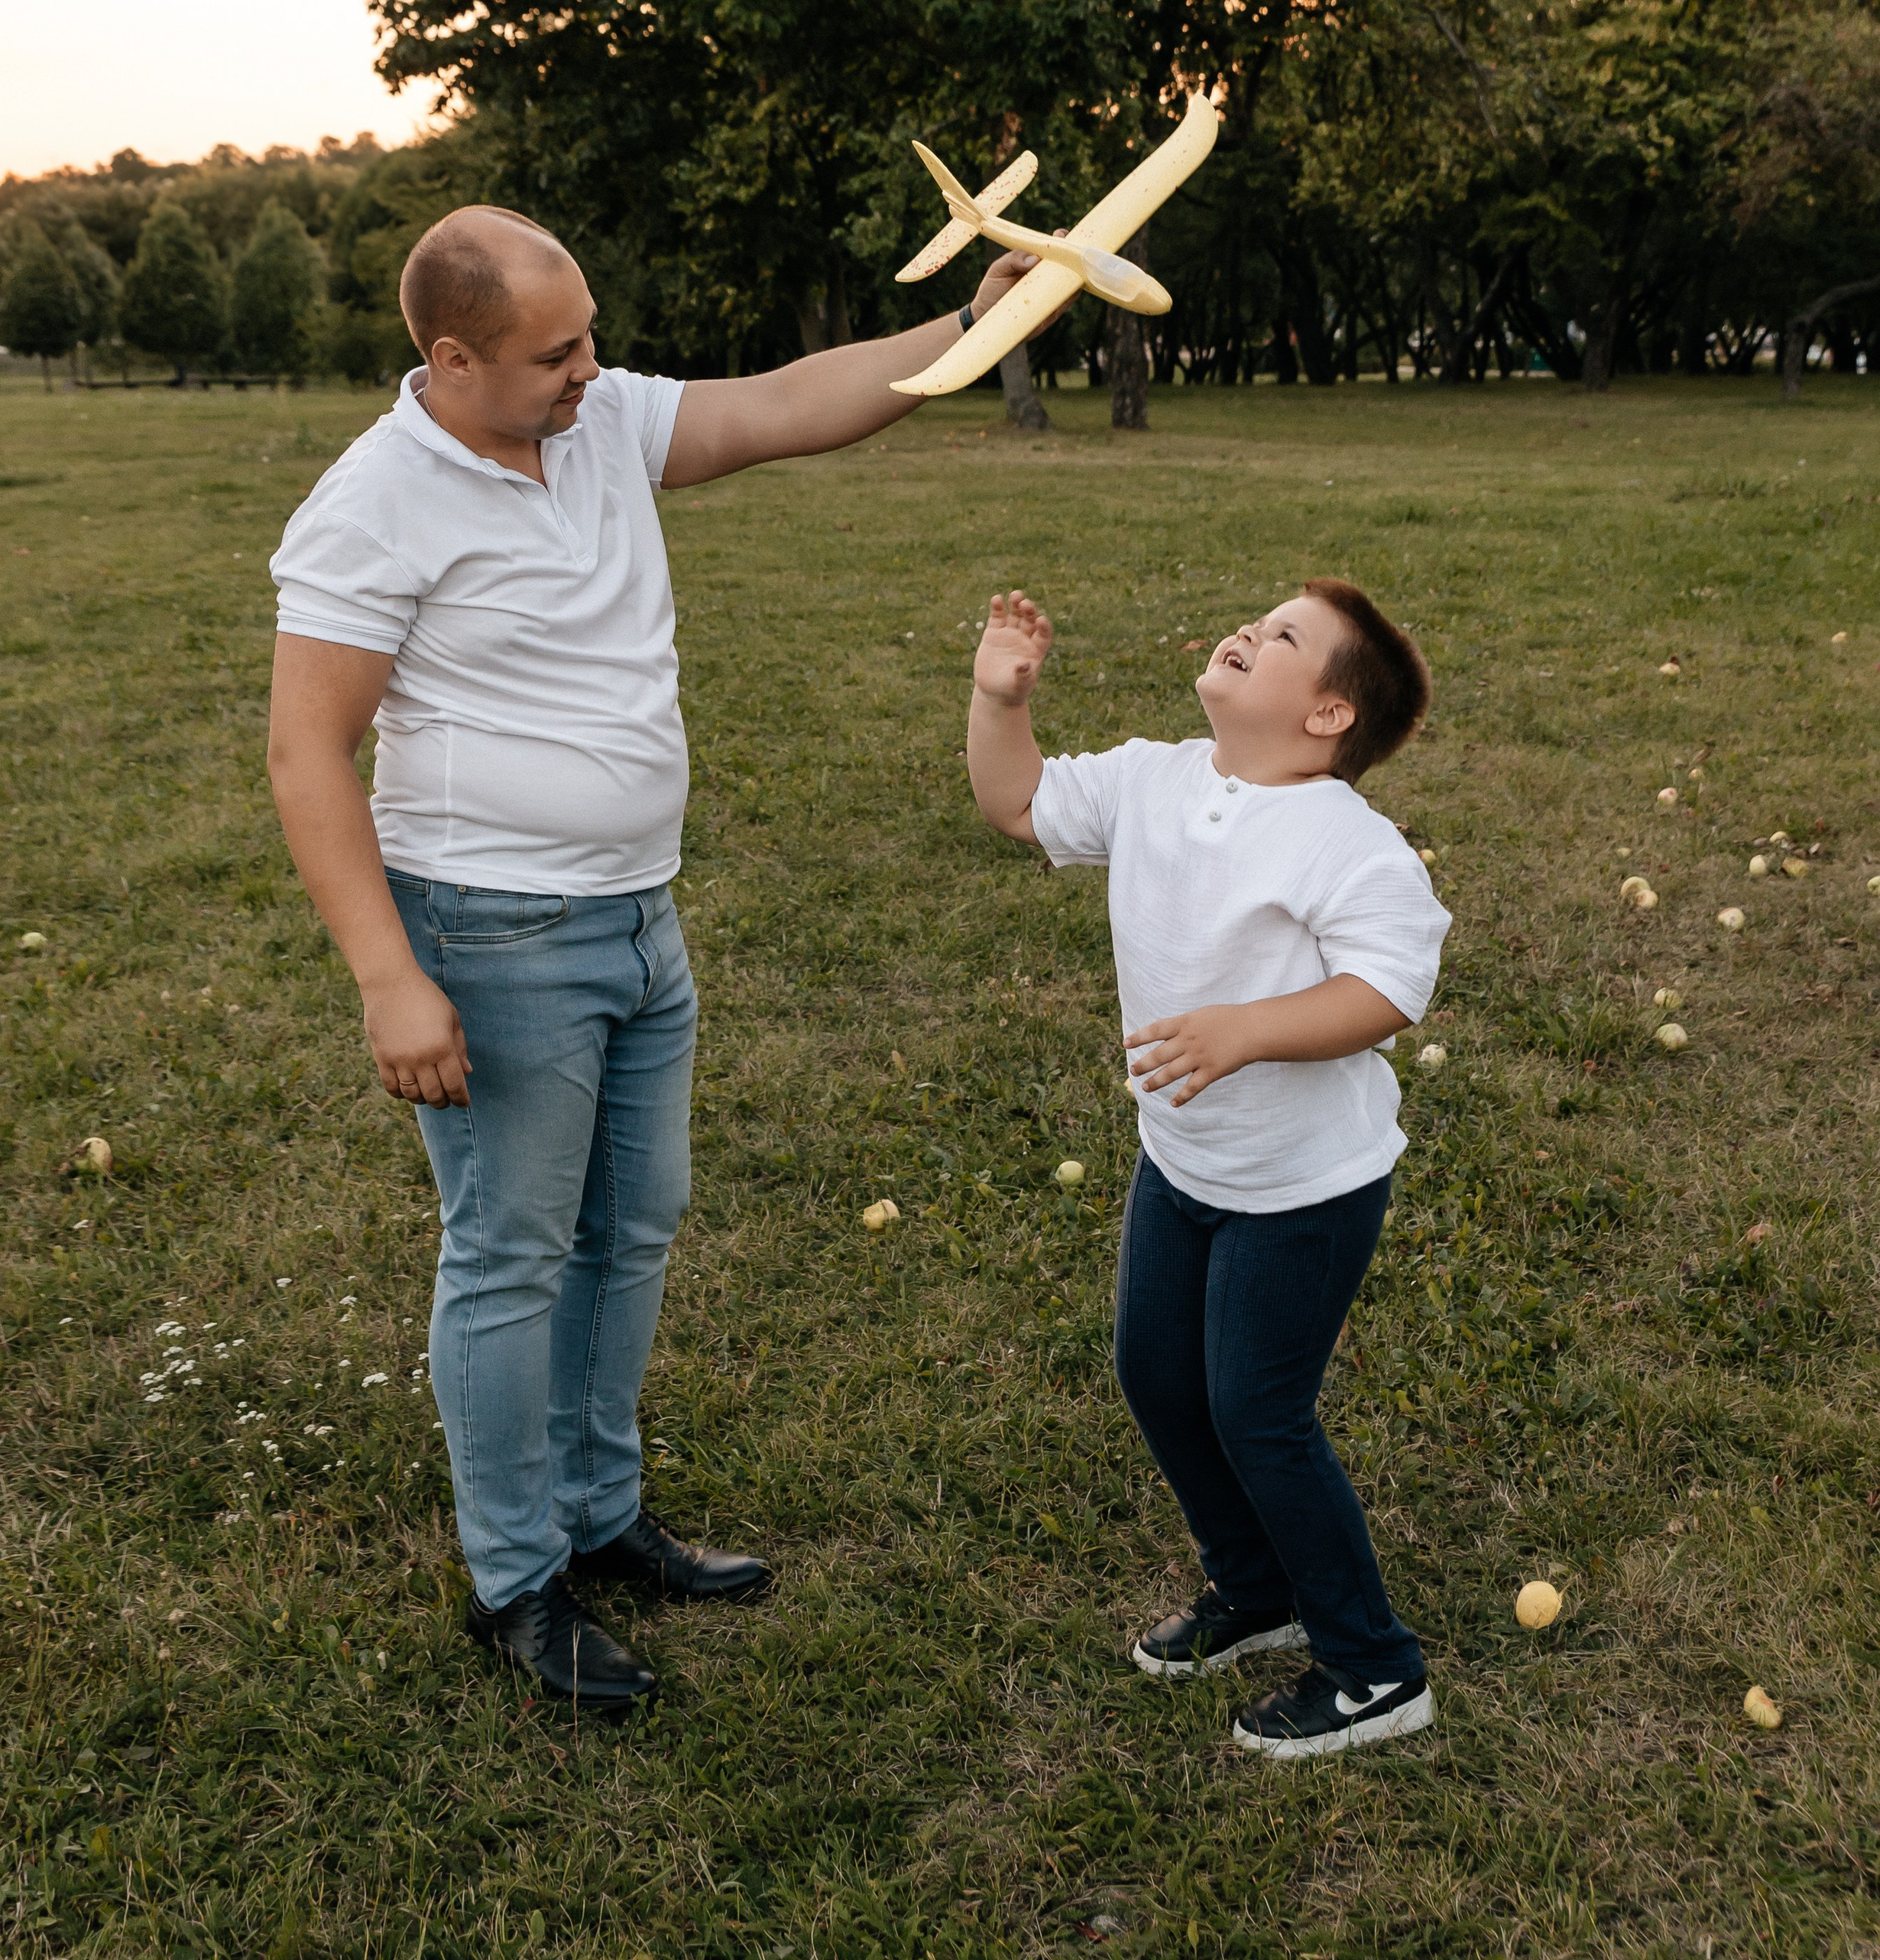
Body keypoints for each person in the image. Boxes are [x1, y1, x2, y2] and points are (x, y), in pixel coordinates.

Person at [265, 203, 1039, 1714]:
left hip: (635, 912)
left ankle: (599, 1511)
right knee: (509, 1252)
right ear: (452, 358)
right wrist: (387, 975)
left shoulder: (598, 421)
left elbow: (787, 403)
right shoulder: (374, 503)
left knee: (630, 1225)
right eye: (554, 352)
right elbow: (307, 754)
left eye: (590, 339)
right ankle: (517, 1578)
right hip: (488, 931)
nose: (590, 369)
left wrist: (972, 327)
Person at [964, 579, 1448, 1758]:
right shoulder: (1153, 778)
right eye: (1258, 617)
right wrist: (999, 699)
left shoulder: (1347, 840)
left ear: (1328, 714)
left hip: (1304, 1186)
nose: (1248, 630)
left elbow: (1389, 986)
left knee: (1257, 1411)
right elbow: (1017, 802)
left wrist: (1246, 1029)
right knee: (1159, 1376)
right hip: (1182, 1161)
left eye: (1282, 636)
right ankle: (1257, 1585)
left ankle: (1375, 1666)